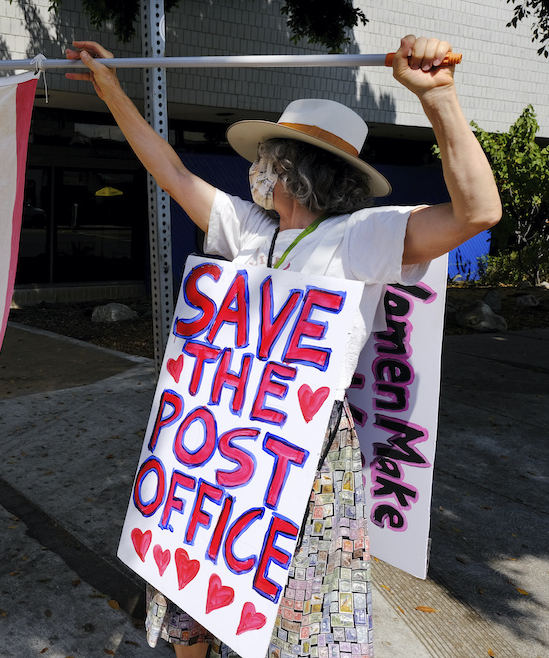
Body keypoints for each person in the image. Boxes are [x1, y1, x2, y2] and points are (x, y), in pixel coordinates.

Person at [66, 34, 500, 657]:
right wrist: (112, 91)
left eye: (265, 157)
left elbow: (477, 212)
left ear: (292, 168)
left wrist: (439, 101)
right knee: (199, 581)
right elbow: (170, 171)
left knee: (299, 612)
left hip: (306, 459)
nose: (254, 169)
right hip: (221, 448)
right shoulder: (248, 226)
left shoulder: (362, 237)